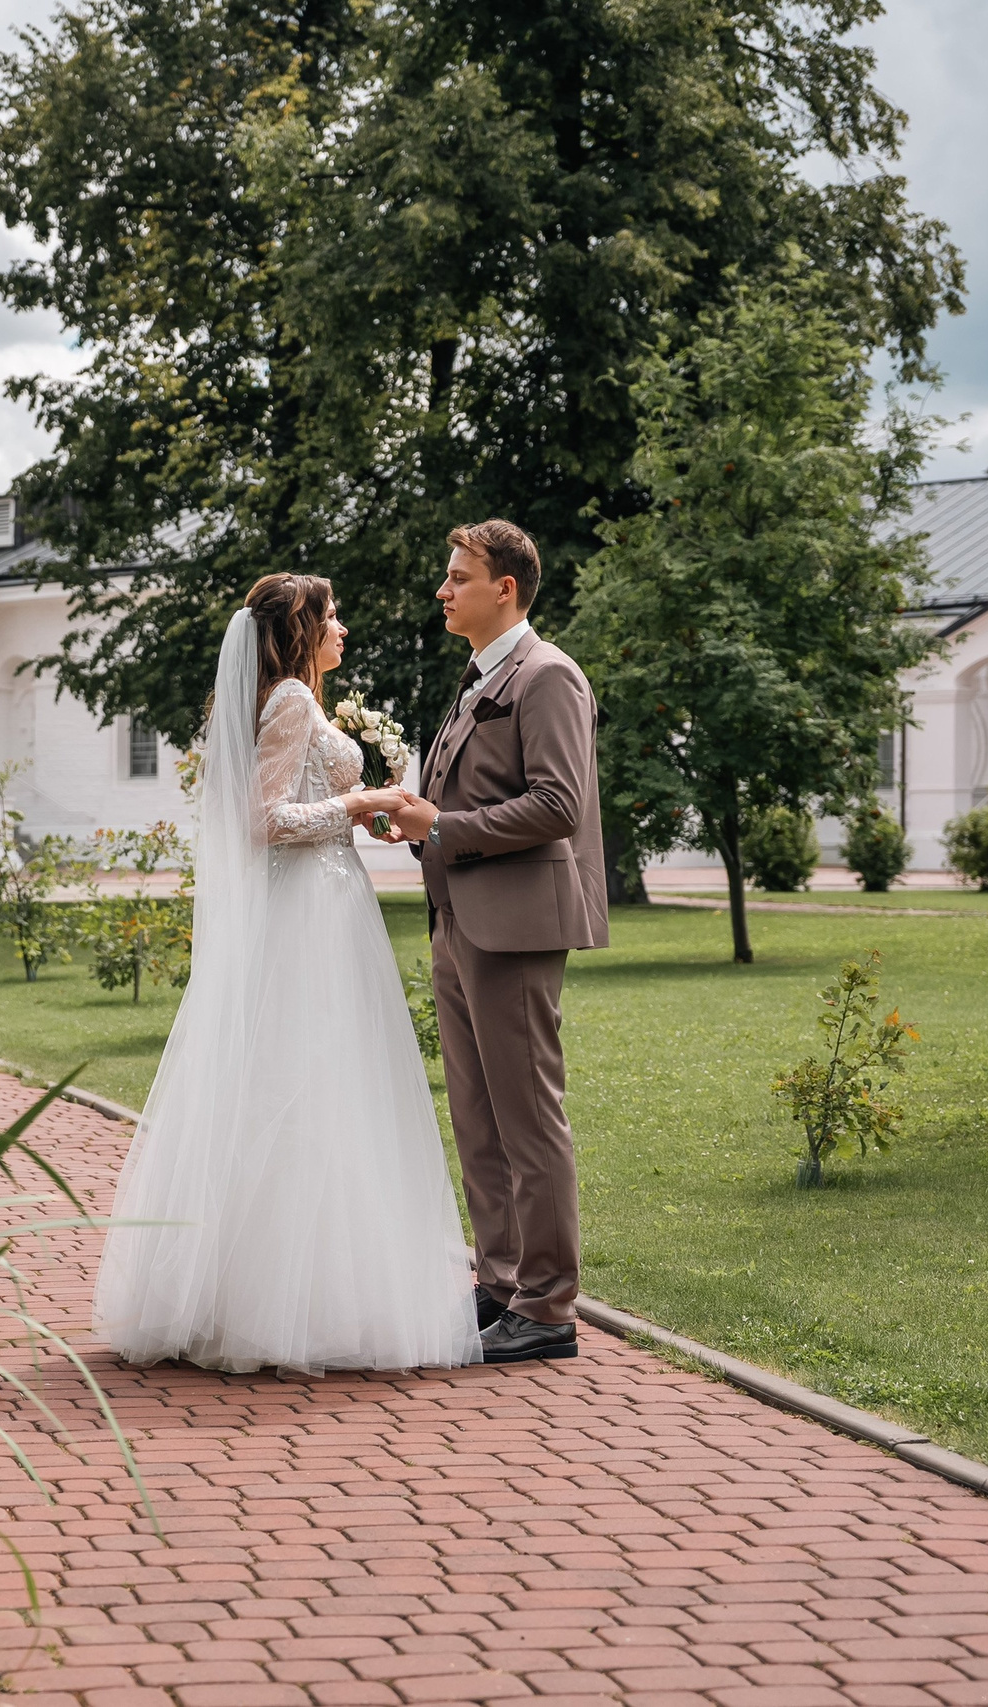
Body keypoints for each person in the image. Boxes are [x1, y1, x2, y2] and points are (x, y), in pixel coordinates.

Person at [92, 573, 483, 1373]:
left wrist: (365, 812)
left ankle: (313, 1290)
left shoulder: (299, 700)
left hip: (331, 901)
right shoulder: (291, 703)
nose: (343, 626)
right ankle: (274, 1302)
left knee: (328, 1088)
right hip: (306, 913)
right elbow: (261, 820)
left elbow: (305, 808)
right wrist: (357, 801)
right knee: (301, 1086)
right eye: (331, 615)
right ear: (300, 627)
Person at [386, 521, 608, 1364]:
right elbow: (462, 801)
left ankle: (548, 1307)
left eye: (457, 578)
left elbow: (559, 804)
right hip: (459, 923)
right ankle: (501, 1282)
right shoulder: (479, 676)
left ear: (504, 587)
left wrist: (444, 825)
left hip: (514, 931)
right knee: (478, 1119)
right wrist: (416, 825)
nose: (443, 591)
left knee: (527, 1118)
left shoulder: (550, 676)